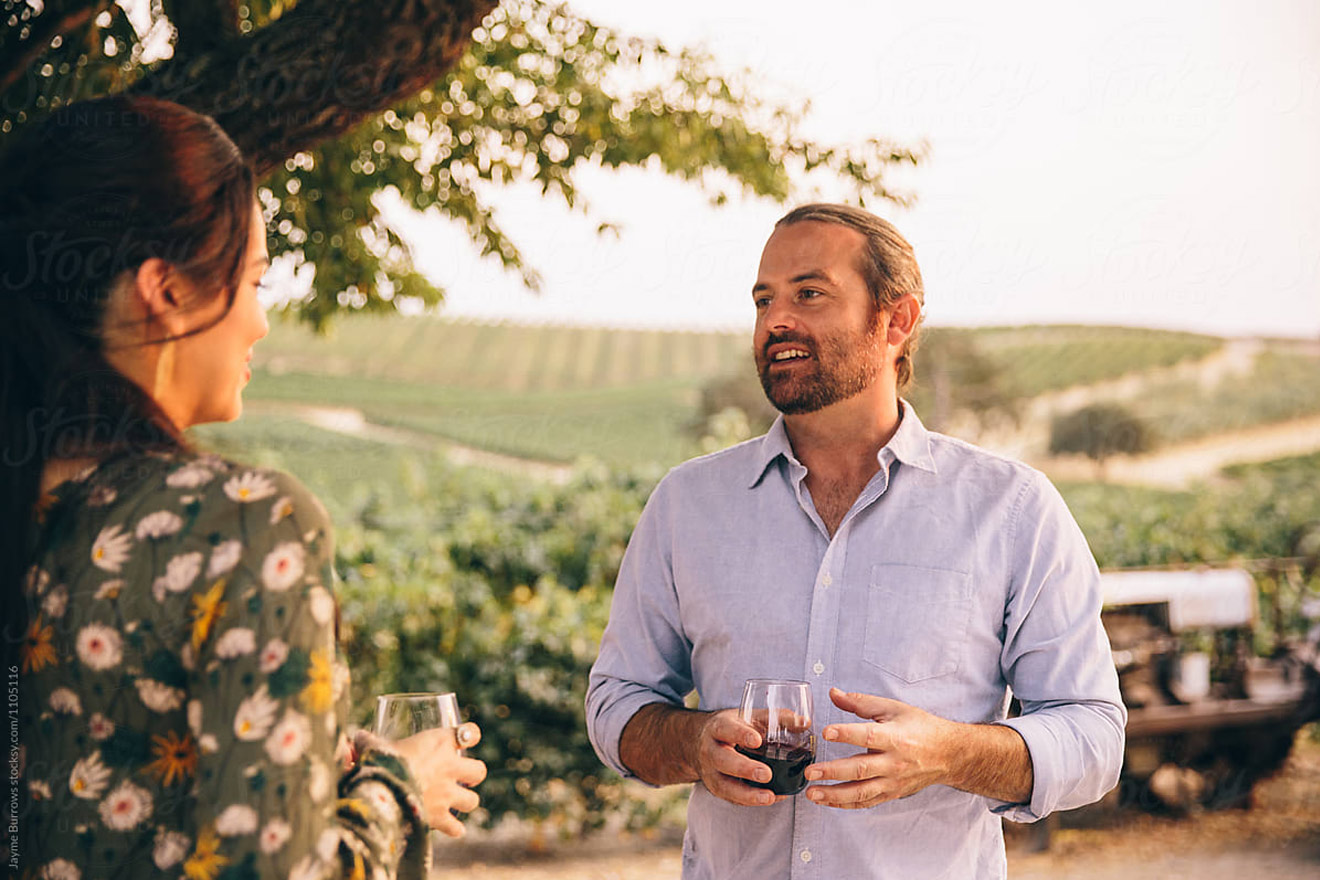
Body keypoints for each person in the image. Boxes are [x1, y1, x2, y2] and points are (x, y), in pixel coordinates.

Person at [2, 96, 486, 880]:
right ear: (168, 289)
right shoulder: (239, 526)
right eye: (255, 280)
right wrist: (398, 787)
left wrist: (324, 747)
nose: (260, 322)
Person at [586, 203, 1126, 879]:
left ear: (895, 321)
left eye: (809, 294)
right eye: (763, 300)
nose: (775, 320)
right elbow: (617, 705)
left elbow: (1094, 735)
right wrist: (693, 741)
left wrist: (950, 753)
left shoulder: (1013, 509)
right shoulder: (687, 506)